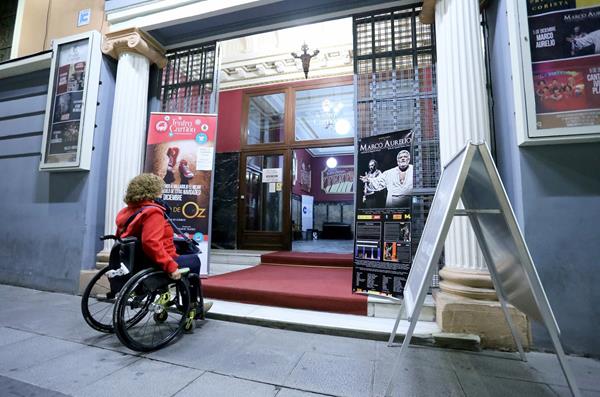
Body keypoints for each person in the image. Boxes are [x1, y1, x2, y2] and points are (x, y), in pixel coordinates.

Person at [115, 173, 212, 319]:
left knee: (182, 252)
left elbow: (123, 236)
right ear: (153, 190)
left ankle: (164, 294)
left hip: (136, 260)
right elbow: (150, 243)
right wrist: (170, 266)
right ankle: (192, 306)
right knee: (193, 261)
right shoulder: (152, 212)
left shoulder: (127, 211)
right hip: (154, 261)